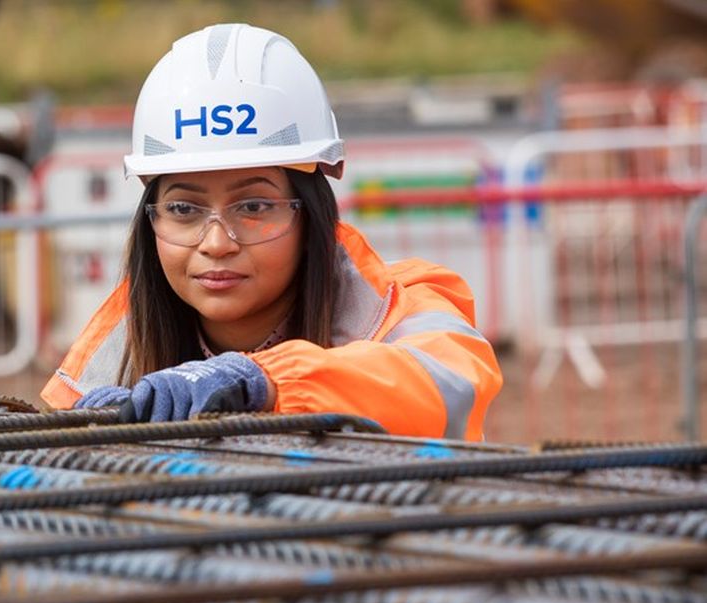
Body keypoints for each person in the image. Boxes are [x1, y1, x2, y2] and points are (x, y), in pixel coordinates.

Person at [41, 23, 501, 441]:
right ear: (151, 220)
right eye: (183, 208)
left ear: (311, 213)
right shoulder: (118, 347)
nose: (217, 243)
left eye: (254, 206)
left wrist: (260, 380)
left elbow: (449, 383)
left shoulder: (404, 307)